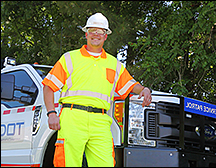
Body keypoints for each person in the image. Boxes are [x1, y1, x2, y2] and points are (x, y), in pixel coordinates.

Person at [42, 12, 152, 167]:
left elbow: (130, 84)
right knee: (67, 163)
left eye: (100, 31)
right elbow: (48, 87)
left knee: (106, 163)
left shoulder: (114, 64)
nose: (96, 35)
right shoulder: (69, 58)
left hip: (100, 121)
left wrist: (144, 90)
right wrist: (51, 113)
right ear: (86, 33)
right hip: (72, 118)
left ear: (105, 36)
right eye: (92, 30)